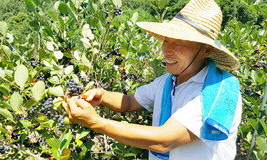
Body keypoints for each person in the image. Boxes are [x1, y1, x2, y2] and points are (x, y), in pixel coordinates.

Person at [62, 0, 242, 159]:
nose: (166, 49)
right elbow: (129, 102)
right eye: (166, 40)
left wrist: (94, 122)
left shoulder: (218, 92)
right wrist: (101, 96)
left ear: (206, 50)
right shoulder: (167, 81)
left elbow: (164, 141)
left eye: (178, 43)